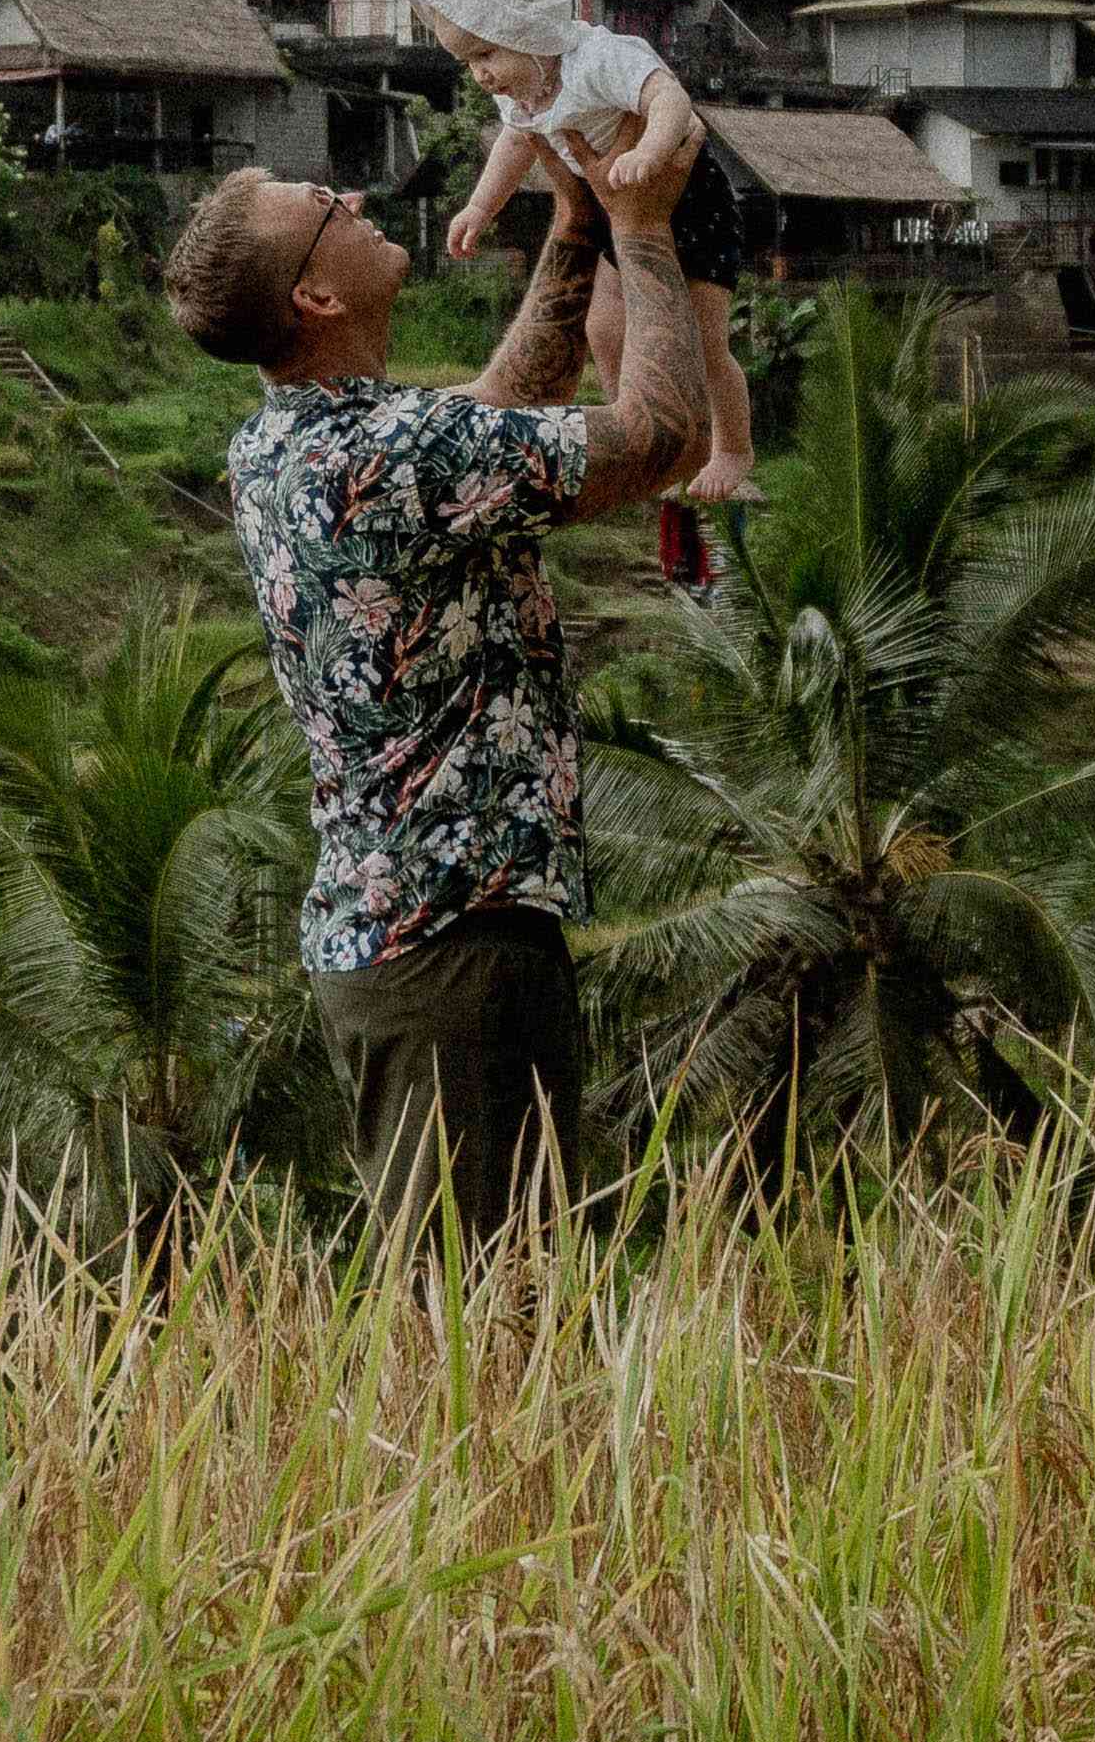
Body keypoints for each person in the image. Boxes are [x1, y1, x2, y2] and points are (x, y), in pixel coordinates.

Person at [159, 129, 708, 1228]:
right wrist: (645, 226)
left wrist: (576, 221)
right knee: (483, 1325)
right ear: (314, 294)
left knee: (503, 1305)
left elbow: (500, 404)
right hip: (448, 952)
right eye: (324, 201)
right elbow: (661, 437)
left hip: (423, 943)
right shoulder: (392, 454)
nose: (352, 189)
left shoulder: (286, 443)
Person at [414, 0, 757, 503]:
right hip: (611, 207)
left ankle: (732, 446)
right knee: (604, 326)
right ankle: (639, 418)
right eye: (469, 60)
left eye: (486, 53)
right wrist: (480, 205)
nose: (479, 74)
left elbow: (668, 99)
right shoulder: (521, 93)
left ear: (527, 30)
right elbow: (516, 143)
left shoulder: (597, 58)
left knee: (702, 341)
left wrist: (649, 151)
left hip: (688, 198)